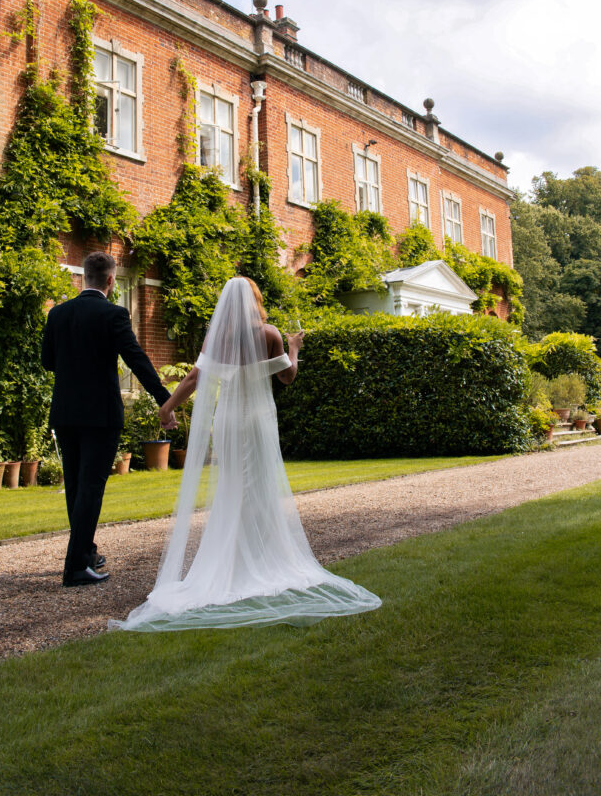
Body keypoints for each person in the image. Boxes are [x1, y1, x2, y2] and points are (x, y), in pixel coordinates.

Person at [109, 277, 381, 631]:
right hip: (256, 420)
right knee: (259, 489)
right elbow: (287, 378)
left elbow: (193, 378)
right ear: (254, 300)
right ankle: (257, 560)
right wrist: (294, 347)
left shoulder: (215, 338)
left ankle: (236, 559)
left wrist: (167, 408)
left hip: (227, 423)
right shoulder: (269, 334)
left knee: (234, 487)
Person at [41, 252, 176, 587]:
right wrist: (165, 401)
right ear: (111, 280)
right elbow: (137, 360)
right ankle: (75, 568)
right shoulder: (113, 314)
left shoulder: (57, 314)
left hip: (66, 412)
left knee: (75, 485)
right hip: (100, 414)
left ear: (84, 278)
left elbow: (47, 362)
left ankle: (84, 553)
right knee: (90, 487)